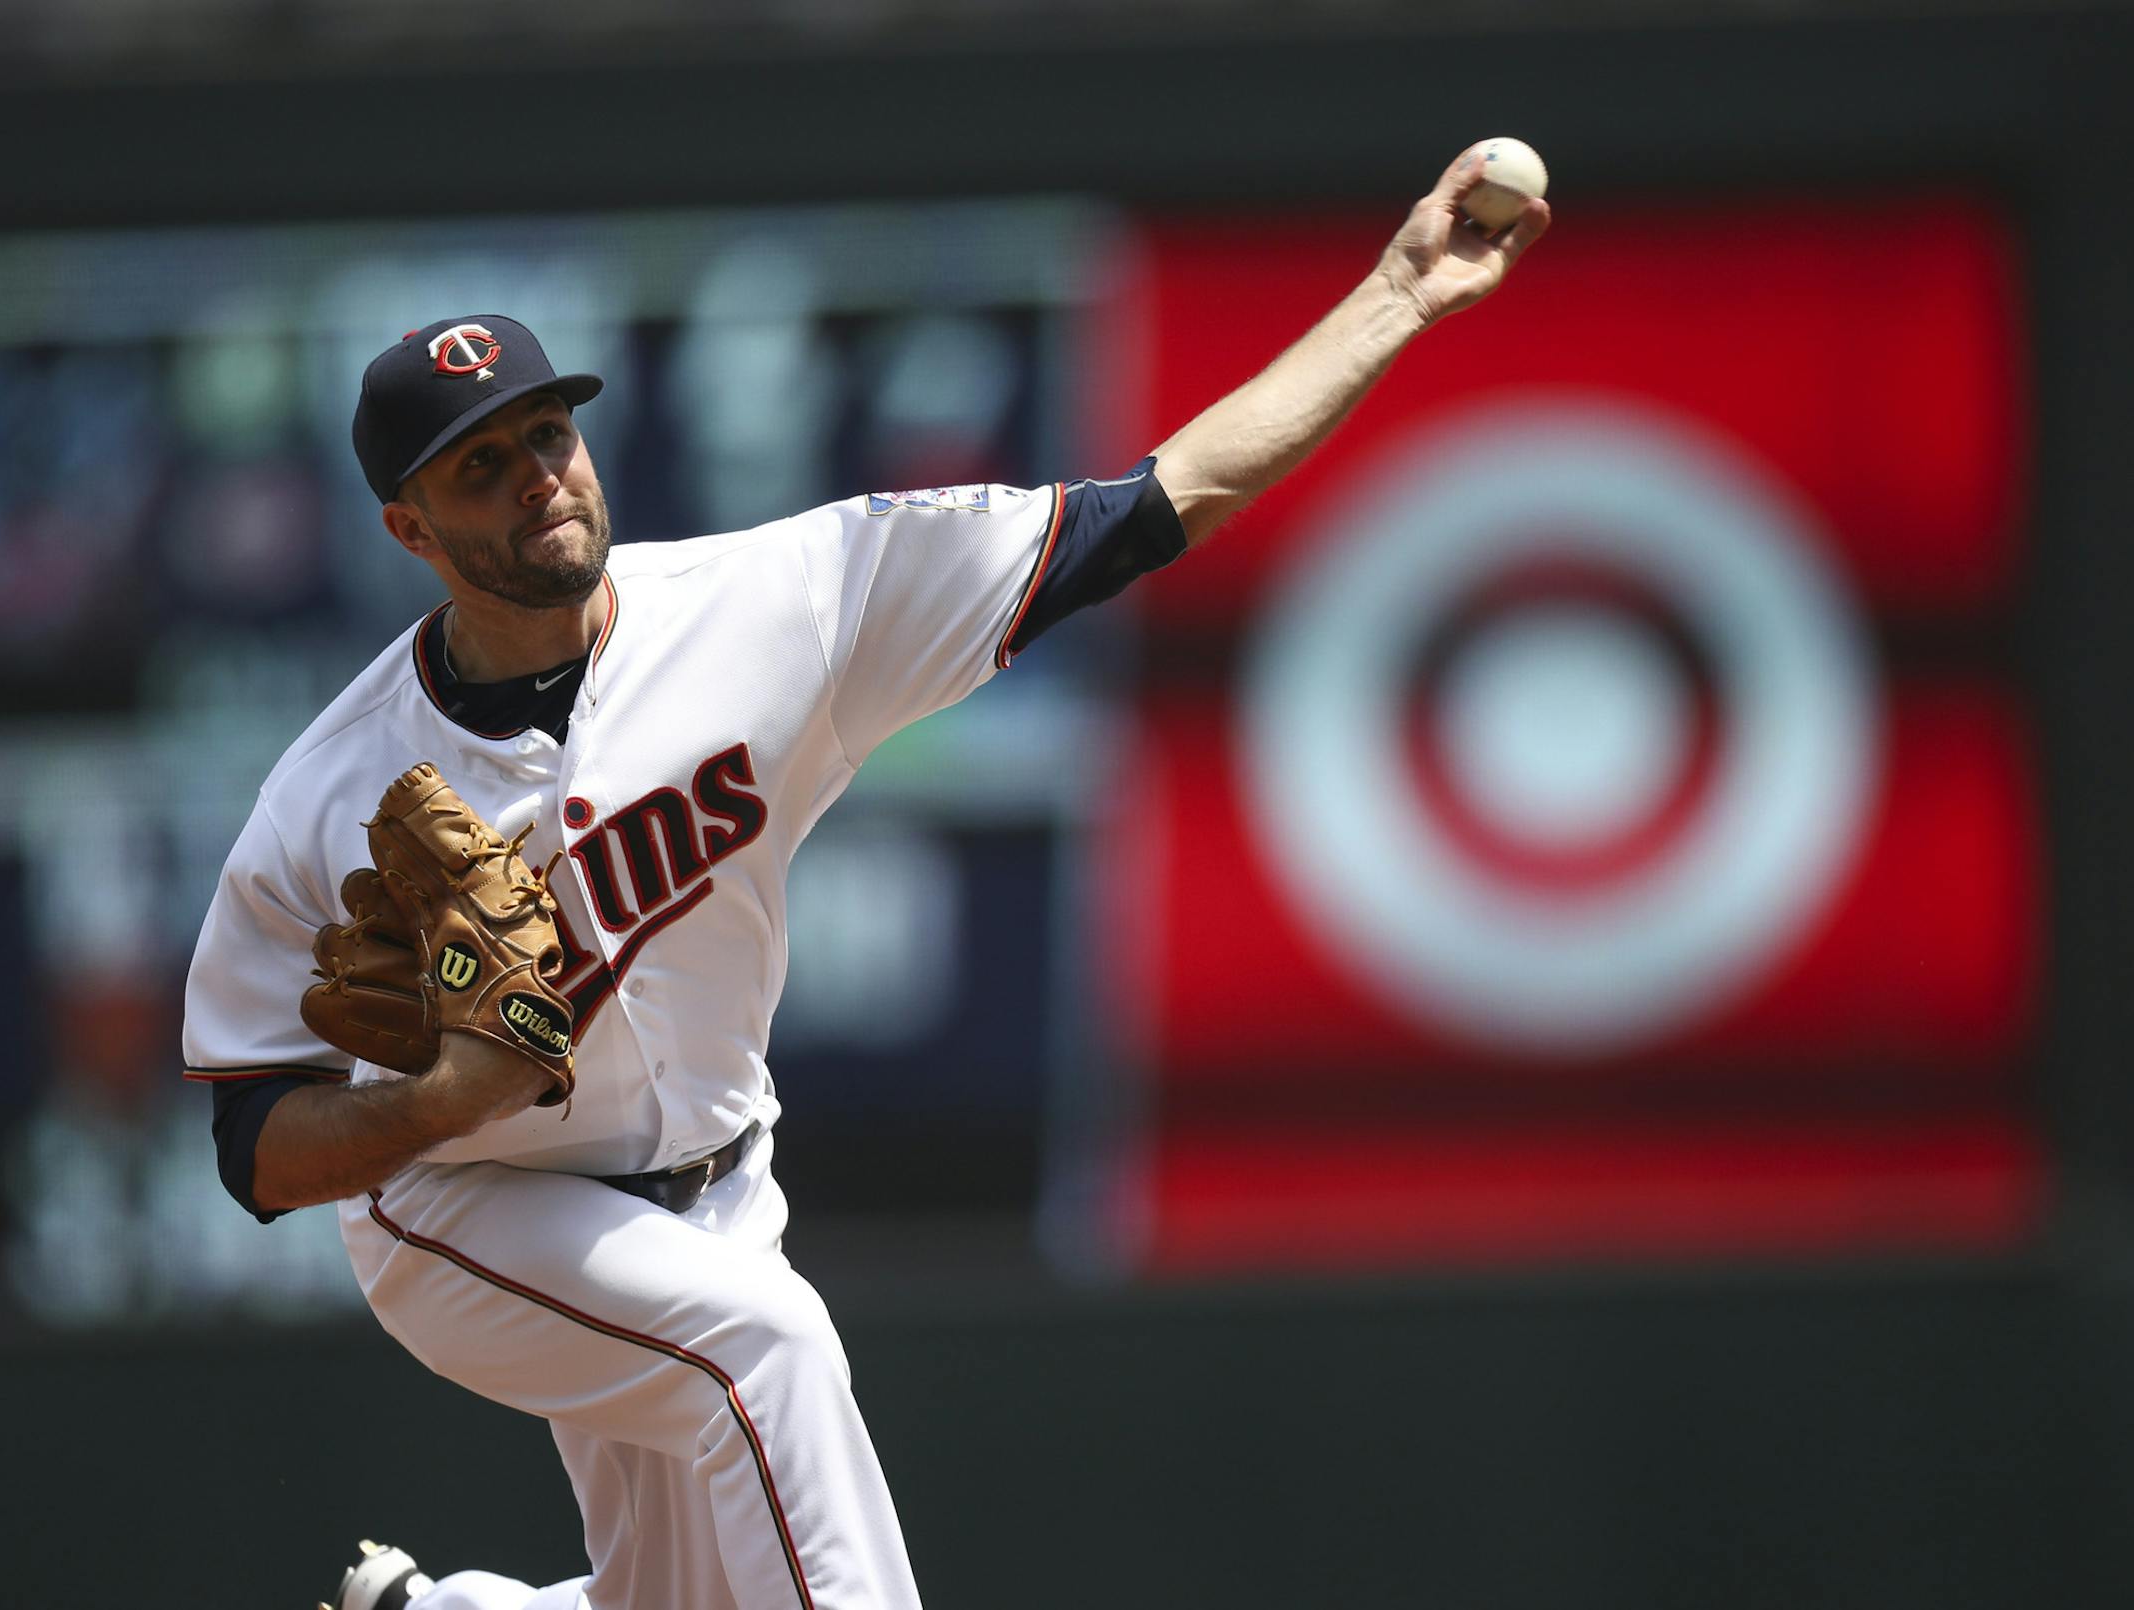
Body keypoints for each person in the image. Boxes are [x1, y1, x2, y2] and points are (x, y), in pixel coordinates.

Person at [182, 149, 1548, 1610]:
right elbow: (253, 1140)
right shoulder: (330, 797)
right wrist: (434, 1103)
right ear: (409, 529)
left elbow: (1152, 505)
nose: (539, 480)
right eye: (482, 466)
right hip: (465, 1212)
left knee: (693, 1567)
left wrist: (1394, 298)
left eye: (546, 436)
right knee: (765, 1349)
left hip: (714, 1179)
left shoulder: (781, 603)